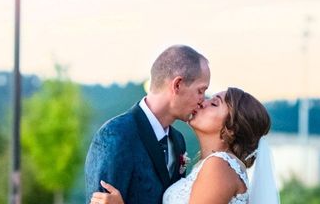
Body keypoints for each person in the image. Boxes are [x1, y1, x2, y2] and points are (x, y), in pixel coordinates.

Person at [91, 87, 275, 204]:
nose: (203, 103)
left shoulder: (219, 166)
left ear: (232, 128)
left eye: (214, 103)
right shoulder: (211, 165)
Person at [85, 45, 211, 204]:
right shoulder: (116, 134)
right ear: (177, 85)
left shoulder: (178, 141)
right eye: (200, 91)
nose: (203, 100)